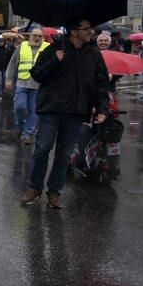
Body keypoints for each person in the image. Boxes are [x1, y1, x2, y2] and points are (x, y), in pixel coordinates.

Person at [20, 18, 109, 209]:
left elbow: (101, 83)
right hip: (52, 109)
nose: (90, 32)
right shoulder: (54, 49)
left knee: (64, 154)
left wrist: (102, 108)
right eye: (86, 29)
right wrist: (55, 60)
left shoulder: (93, 54)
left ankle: (54, 192)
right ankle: (35, 187)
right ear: (74, 31)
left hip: (76, 111)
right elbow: (37, 74)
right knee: (43, 148)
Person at [5, 27, 48, 144]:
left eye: (40, 36)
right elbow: (13, 63)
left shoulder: (47, 47)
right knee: (19, 106)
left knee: (33, 110)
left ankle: (28, 133)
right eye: (35, 35)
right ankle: (19, 126)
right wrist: (9, 79)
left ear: (43, 37)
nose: (37, 38)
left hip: (38, 85)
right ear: (30, 36)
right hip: (22, 82)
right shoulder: (22, 46)